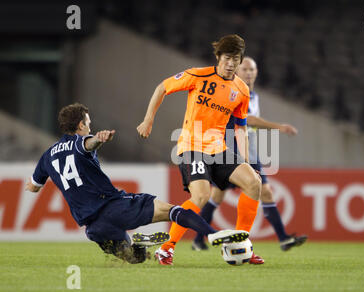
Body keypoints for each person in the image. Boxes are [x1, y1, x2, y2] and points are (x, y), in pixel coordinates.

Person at [25, 103, 249, 264]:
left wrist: (31, 185)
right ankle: (211, 234)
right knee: (173, 211)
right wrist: (99, 139)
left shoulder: (47, 156)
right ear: (81, 125)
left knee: (135, 258)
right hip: (114, 207)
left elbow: (34, 186)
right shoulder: (80, 142)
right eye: (89, 124)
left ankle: (140, 244)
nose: (90, 127)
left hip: (94, 228)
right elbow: (87, 145)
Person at [137, 34, 264, 265]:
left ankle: (242, 244)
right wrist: (148, 120)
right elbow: (162, 88)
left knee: (254, 182)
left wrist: (246, 163)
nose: (231, 64)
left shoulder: (241, 90)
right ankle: (166, 248)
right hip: (191, 147)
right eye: (227, 58)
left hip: (219, 149)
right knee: (202, 195)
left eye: (235, 59)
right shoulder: (197, 75)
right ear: (218, 57)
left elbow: (240, 128)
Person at [192, 57, 308, 258]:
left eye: (252, 69)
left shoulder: (253, 95)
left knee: (265, 193)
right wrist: (279, 127)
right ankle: (198, 239)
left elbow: (248, 124)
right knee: (217, 195)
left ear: (256, 72)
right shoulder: (236, 90)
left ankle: (282, 238)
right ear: (237, 71)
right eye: (244, 69)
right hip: (230, 150)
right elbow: (249, 120)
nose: (248, 72)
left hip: (247, 151)